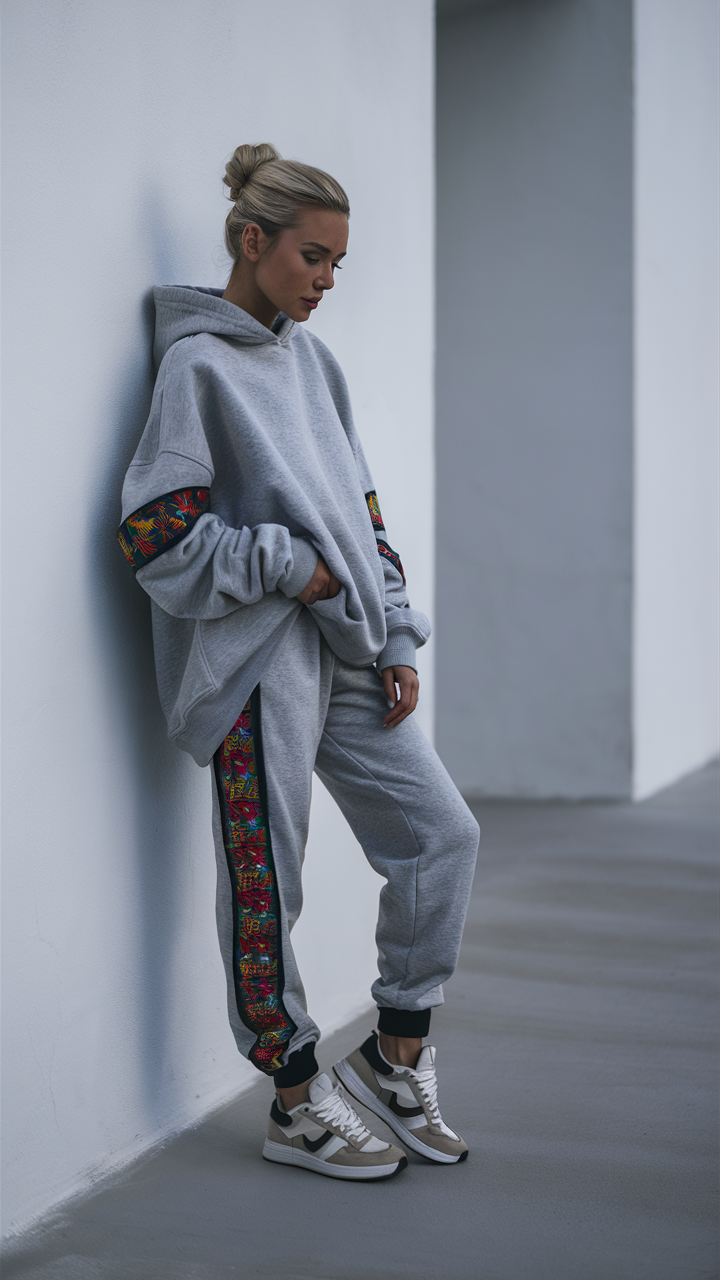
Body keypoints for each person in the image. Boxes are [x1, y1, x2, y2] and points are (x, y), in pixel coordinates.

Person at [118, 143, 480, 1181]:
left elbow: (363, 514)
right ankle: (291, 1096)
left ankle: (395, 1056)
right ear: (251, 241)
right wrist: (290, 566)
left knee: (441, 835)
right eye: (312, 257)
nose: (326, 279)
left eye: (337, 263)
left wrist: (395, 630)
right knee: (267, 878)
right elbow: (156, 537)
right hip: (256, 660)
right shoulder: (196, 368)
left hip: (349, 650)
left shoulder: (316, 366)